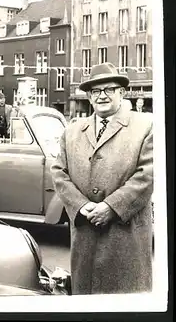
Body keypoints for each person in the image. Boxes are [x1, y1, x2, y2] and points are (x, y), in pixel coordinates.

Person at [50, 62, 153, 295]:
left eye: (109, 89)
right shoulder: (73, 130)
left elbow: (148, 175)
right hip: (85, 239)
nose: (102, 96)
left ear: (122, 92)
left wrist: (111, 207)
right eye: (96, 91)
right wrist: (82, 205)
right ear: (88, 96)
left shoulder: (146, 126)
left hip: (125, 239)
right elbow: (59, 172)